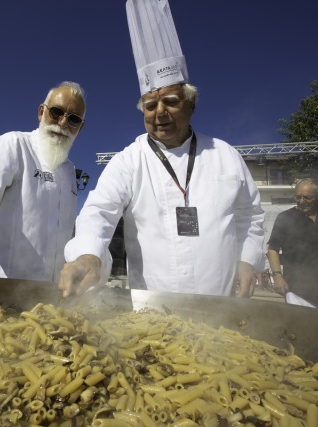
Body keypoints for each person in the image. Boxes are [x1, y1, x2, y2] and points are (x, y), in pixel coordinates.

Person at [58, 0, 265, 298]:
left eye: (171, 101)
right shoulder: (128, 160)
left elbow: (250, 217)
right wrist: (88, 255)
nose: (160, 113)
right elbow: (98, 213)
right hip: (152, 313)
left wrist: (247, 260)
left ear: (191, 105)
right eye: (151, 105)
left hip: (222, 305)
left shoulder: (225, 155)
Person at [0, 81, 87, 294]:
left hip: (51, 297)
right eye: (56, 112)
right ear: (42, 112)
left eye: (73, 119)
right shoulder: (13, 145)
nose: (62, 123)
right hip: (2, 292)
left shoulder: (70, 172)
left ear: (80, 127)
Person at [266, 178, 318, 315]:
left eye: (308, 197)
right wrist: (277, 275)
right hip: (298, 292)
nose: (301, 201)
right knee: (304, 334)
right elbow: (272, 249)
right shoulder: (285, 218)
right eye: (298, 197)